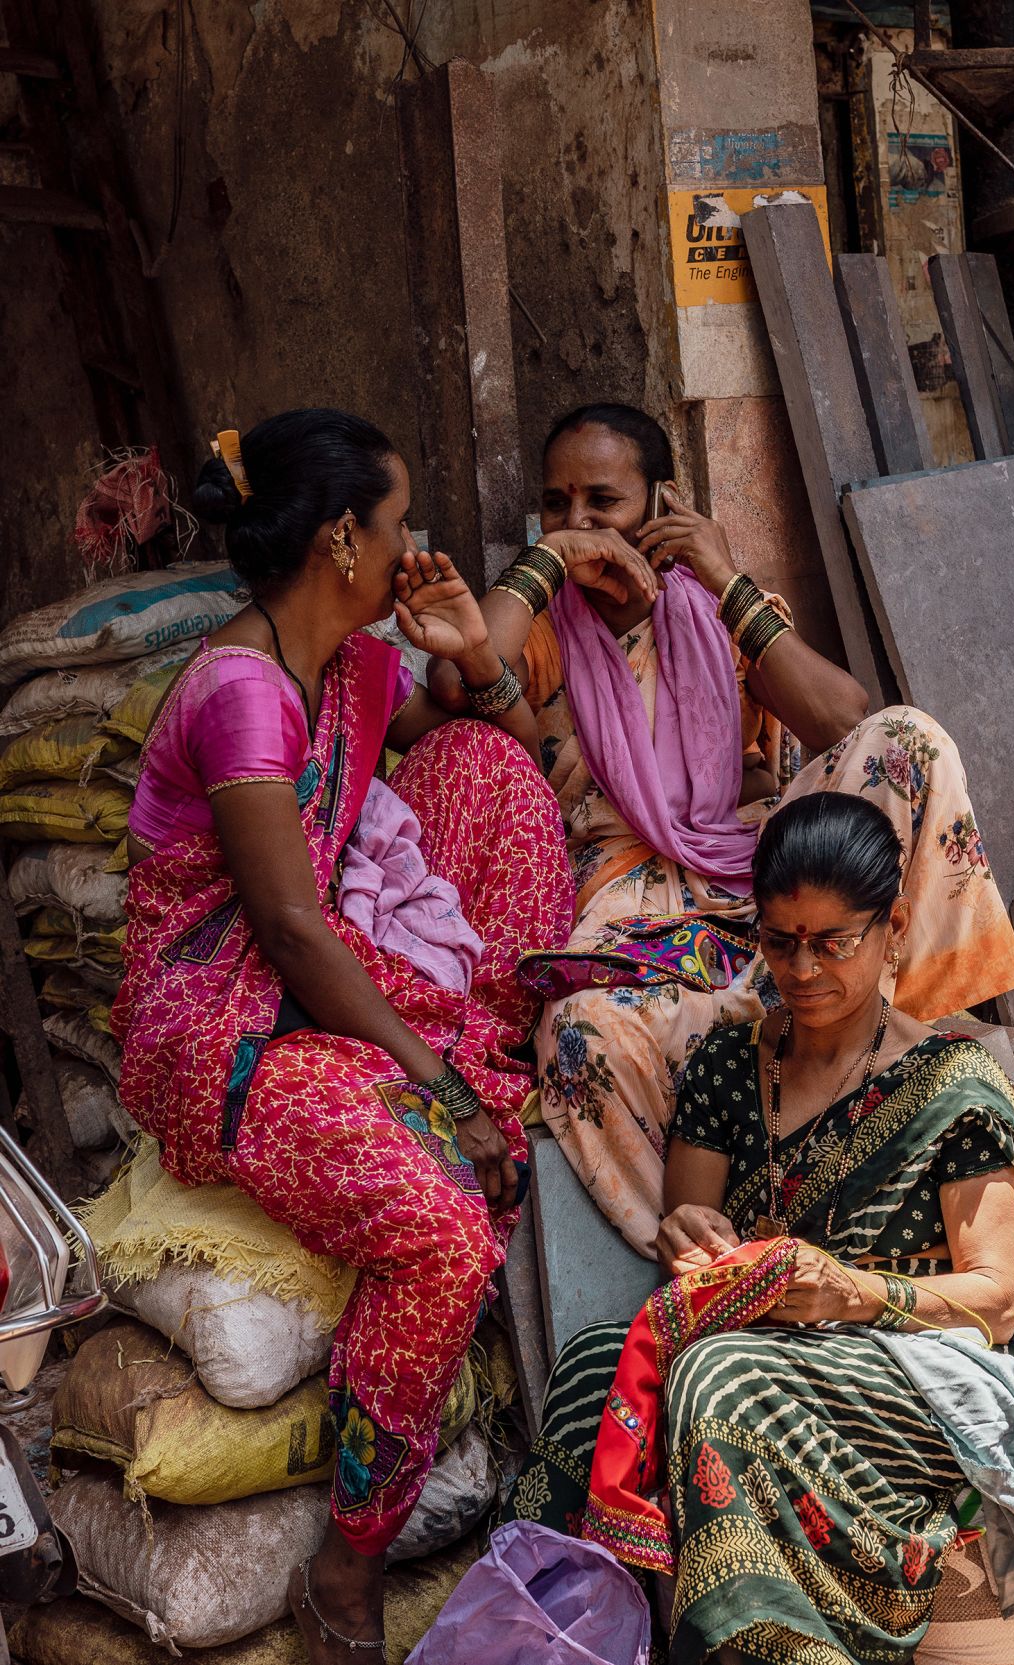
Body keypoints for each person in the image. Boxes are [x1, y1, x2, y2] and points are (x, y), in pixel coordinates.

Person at [111, 409, 575, 1663]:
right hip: (219, 1019)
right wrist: (444, 1094)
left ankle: (462, 1053)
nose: (409, 543)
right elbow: (290, 931)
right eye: (396, 522)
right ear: (341, 541)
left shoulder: (352, 668)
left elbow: (496, 748)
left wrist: (469, 657)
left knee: (488, 774)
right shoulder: (237, 694)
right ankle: (347, 1563)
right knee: (439, 1235)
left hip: (318, 987)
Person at [431, 402, 1014, 1257]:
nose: (579, 524)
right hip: (623, 909)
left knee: (907, 740)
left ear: (662, 506)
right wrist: (546, 562)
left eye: (603, 502)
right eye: (557, 504)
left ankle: (894, 1054)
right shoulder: (537, 628)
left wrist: (722, 576)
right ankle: (727, 1248)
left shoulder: (718, 611)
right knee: (578, 1032)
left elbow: (839, 716)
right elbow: (454, 674)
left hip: (759, 880)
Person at [503, 791, 1014, 1665]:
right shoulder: (729, 1067)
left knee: (717, 1380)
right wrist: (690, 1237)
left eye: (833, 941)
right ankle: (560, 1642)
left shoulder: (952, 1085)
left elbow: (994, 1304)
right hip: (768, 1344)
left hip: (916, 1374)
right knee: (593, 1373)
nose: (802, 969)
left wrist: (847, 1290)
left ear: (893, 927)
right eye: (779, 940)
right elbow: (689, 1242)